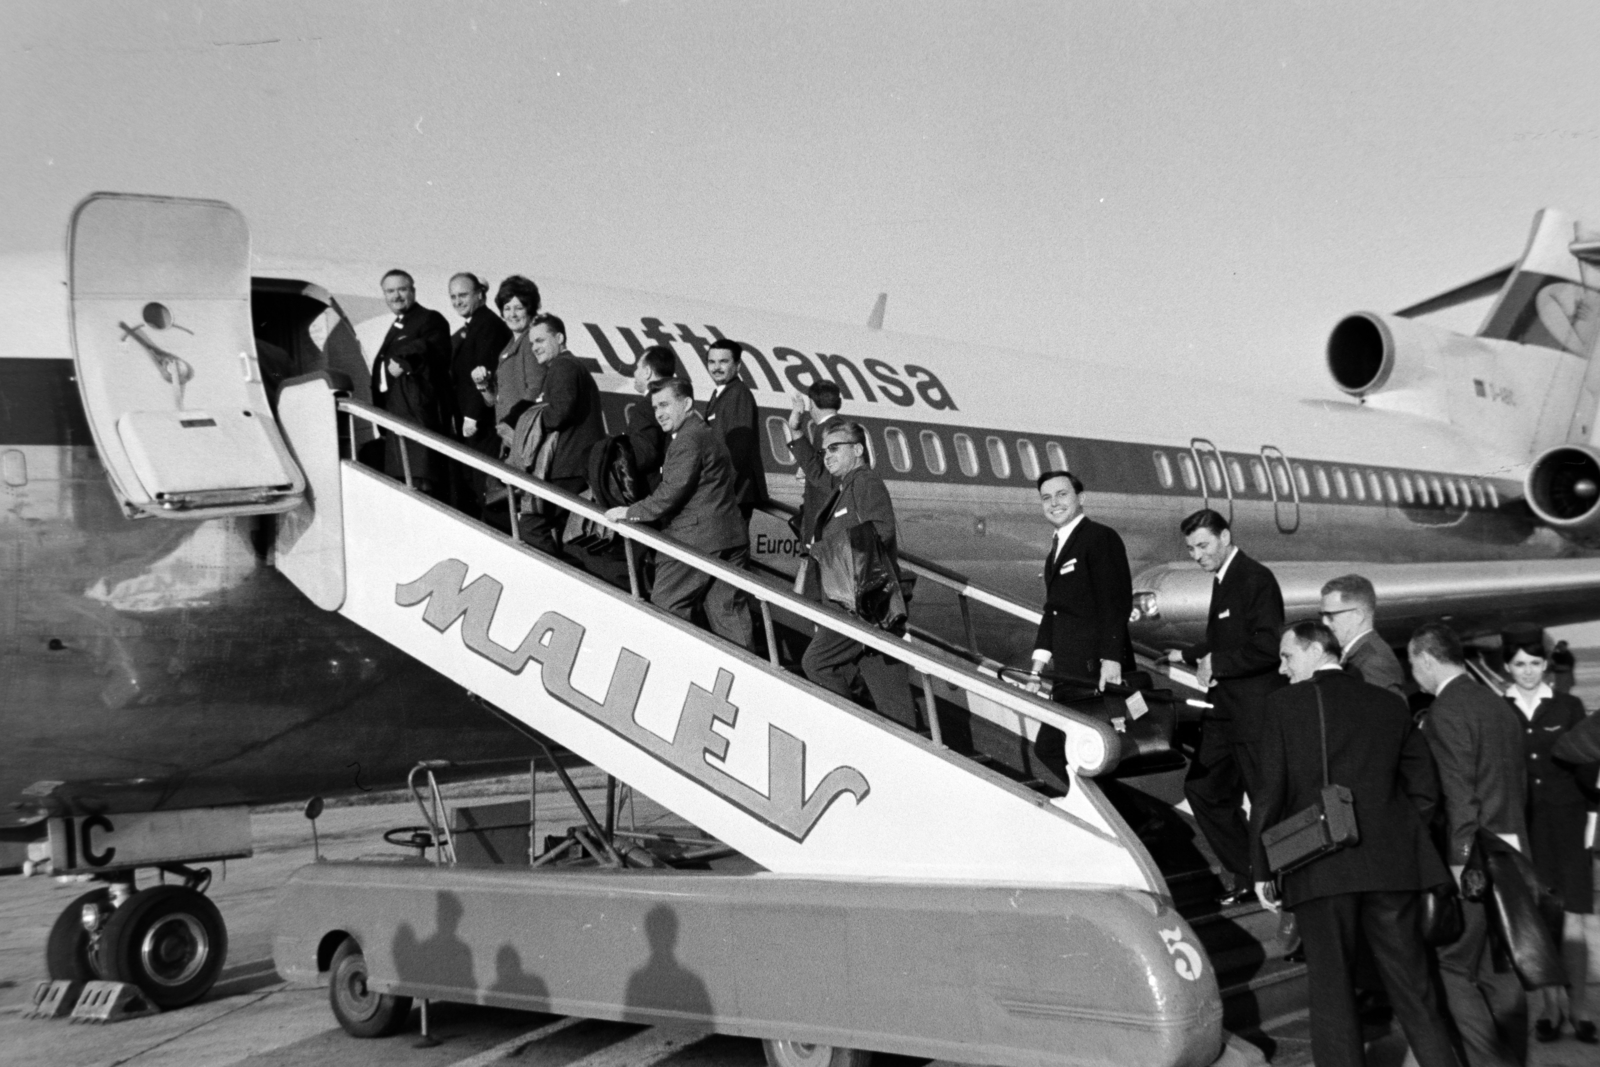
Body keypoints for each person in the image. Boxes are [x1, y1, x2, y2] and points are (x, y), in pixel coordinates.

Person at [1252, 621, 1461, 1067]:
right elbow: (1424, 791)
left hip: (1319, 866)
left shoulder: (1284, 706)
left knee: (1333, 996)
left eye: (1288, 657)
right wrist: (1391, 831)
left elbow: (1270, 792)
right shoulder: (1389, 704)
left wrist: (1263, 869)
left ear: (1312, 650)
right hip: (1393, 868)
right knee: (1415, 988)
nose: (1283, 668)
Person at [1409, 622, 1530, 1067]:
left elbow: (1460, 794)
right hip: (1514, 851)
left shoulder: (1445, 713)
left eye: (1413, 664)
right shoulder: (1499, 707)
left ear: (1425, 659)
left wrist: (1459, 861)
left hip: (1476, 856)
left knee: (1452, 967)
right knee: (1502, 971)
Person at [1167, 508, 1285, 905]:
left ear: (1225, 536)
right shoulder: (1223, 579)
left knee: (1265, 800)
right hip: (1224, 712)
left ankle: (1280, 880)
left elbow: (1268, 646)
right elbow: (1225, 637)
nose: (1197, 555)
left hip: (1253, 713)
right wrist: (1185, 654)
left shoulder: (1255, 578)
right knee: (1203, 789)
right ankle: (1254, 871)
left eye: (1203, 545)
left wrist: (1217, 662)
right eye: (1191, 549)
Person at [1500, 628, 1596, 1044]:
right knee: (1539, 920)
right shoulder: (1499, 709)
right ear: (1507, 666)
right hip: (1527, 828)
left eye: (1535, 663)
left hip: (1570, 824)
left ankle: (1581, 1010)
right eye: (1519, 663)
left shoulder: (1568, 705)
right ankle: (1550, 1008)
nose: (1527, 671)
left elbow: (1589, 763)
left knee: (1574, 916)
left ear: (1545, 666)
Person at [605, 379, 753, 648]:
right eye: (655, 408)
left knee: (666, 606)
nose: (659, 413)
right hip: (730, 535)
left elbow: (672, 491)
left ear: (686, 404)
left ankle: (677, 666)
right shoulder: (708, 433)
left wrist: (630, 512)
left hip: (696, 538)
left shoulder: (688, 439)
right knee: (726, 612)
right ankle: (754, 678)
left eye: (664, 405)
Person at [792, 420, 915, 724]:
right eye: (824, 451)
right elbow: (819, 475)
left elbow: (881, 530)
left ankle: (852, 728)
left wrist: (828, 551)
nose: (828, 455)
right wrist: (797, 437)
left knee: (817, 663)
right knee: (893, 703)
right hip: (863, 602)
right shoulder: (844, 486)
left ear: (858, 450)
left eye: (835, 448)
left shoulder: (865, 482)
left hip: (861, 604)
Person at [1026, 469, 1134, 694]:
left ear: (1081, 498)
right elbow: (1053, 613)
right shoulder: (1055, 553)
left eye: (1062, 494)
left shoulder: (1099, 538)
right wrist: (1036, 672)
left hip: (1097, 672)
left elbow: (1114, 603)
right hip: (1067, 673)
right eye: (1046, 498)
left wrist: (1112, 660)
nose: (1054, 503)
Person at [518, 313, 606, 556]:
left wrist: (531, 421)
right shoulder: (573, 366)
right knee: (569, 536)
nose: (535, 347)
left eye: (541, 340)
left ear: (559, 337)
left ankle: (552, 576)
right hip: (578, 466)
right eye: (532, 343)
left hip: (567, 466)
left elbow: (559, 413)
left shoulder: (562, 365)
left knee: (531, 524)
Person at [369, 269, 452, 494]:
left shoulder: (429, 319)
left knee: (420, 487)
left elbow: (431, 348)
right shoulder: (399, 324)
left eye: (402, 289)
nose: (396, 296)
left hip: (416, 419)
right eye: (390, 291)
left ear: (413, 291)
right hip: (396, 419)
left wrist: (405, 360)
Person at [447, 272, 513, 510]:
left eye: (463, 295)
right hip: (474, 424)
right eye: (453, 296)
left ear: (480, 294)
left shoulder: (487, 325)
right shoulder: (475, 325)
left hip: (482, 424)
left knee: (483, 486)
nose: (457, 301)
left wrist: (471, 416)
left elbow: (484, 369)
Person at [703, 338, 768, 525]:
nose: (716, 367)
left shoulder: (738, 394)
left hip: (734, 492)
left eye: (723, 362)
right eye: (711, 362)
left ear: (737, 365)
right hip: (729, 491)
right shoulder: (721, 394)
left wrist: (719, 492)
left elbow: (738, 449)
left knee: (729, 549)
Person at [1319, 574, 1405, 696]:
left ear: (1358, 616)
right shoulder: (1361, 655)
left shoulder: (1374, 662)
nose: (1324, 622)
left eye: (1330, 616)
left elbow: (1389, 713)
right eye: (1322, 615)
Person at [784, 382, 844, 543]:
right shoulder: (839, 427)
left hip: (823, 528)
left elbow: (821, 477)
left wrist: (795, 430)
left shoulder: (827, 429)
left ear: (812, 404)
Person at [628, 345, 675, 490]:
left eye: (637, 368)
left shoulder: (645, 408)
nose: (634, 373)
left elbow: (643, 456)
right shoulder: (679, 403)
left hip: (652, 492)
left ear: (647, 372)